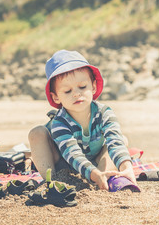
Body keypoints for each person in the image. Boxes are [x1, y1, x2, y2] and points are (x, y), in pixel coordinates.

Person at [28, 50, 138, 191]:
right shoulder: (59, 122)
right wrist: (91, 173)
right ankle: (52, 181)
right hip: (63, 163)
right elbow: (72, 153)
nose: (76, 93)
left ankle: (101, 176)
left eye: (82, 87)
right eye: (67, 91)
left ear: (93, 87)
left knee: (122, 139)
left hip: (96, 160)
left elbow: (114, 141)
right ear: (56, 97)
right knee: (36, 133)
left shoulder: (104, 113)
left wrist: (127, 168)